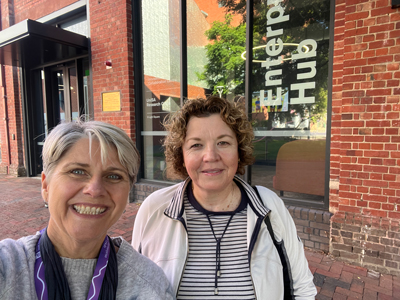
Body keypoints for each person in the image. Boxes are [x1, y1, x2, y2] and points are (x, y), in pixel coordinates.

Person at [132, 96, 317, 299]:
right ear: (181, 156)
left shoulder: (270, 206)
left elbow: (302, 288)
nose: (211, 156)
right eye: (196, 145)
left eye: (223, 142)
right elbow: (136, 285)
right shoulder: (155, 209)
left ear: (239, 151)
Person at [0, 119, 174, 300]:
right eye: (77, 171)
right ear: (45, 186)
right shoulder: (7, 267)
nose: (95, 189)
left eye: (114, 176)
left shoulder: (150, 284)